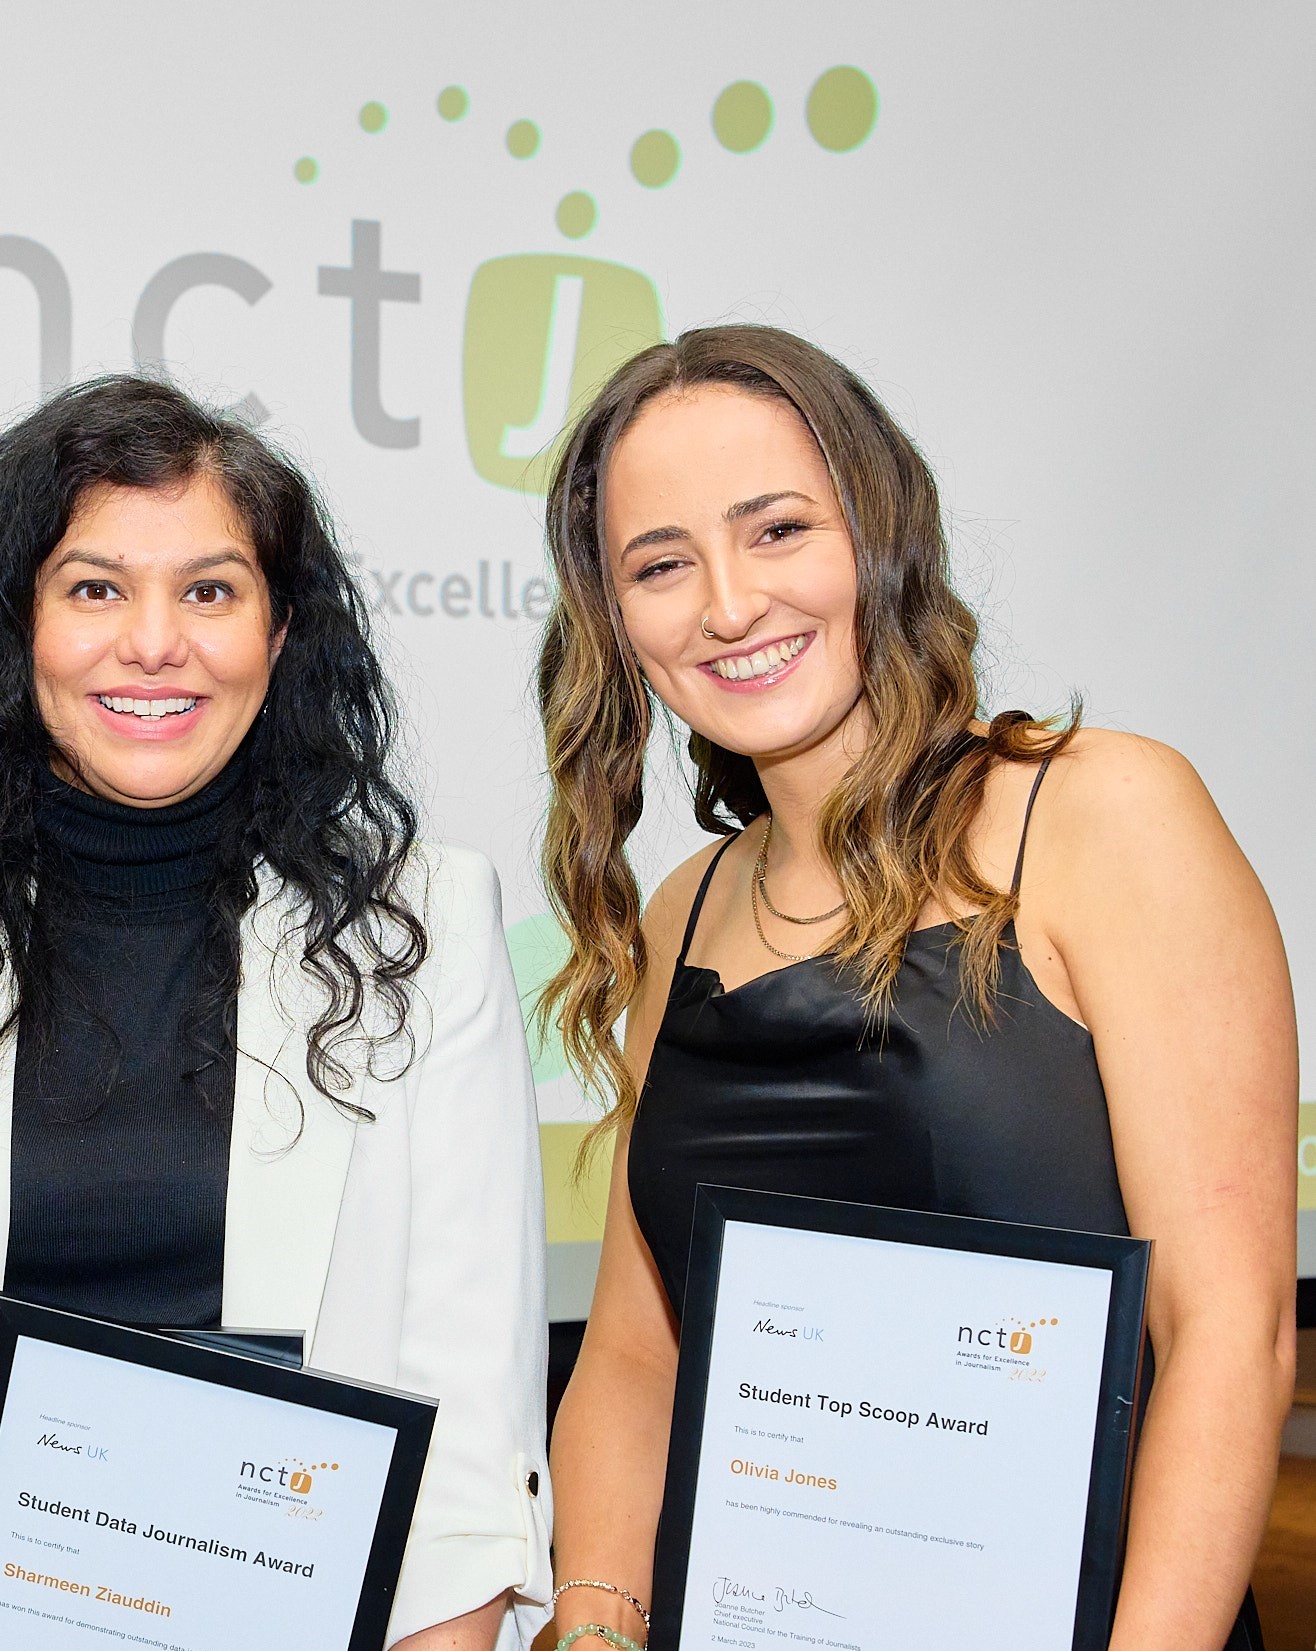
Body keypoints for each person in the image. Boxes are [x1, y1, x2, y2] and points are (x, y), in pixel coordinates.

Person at [534, 325, 1296, 1651]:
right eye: (661, 563)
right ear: (615, 620)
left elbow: (1228, 1332)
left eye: (777, 529)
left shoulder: (1105, 812)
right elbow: (635, 1362)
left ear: (882, 530)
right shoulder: (685, 911)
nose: (727, 603)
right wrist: (595, 1612)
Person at [0, 376, 552, 1650]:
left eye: (211, 590)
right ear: (11, 626)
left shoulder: (423, 923)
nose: (155, 642)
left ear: (281, 631)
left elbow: (470, 1407)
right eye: (94, 588)